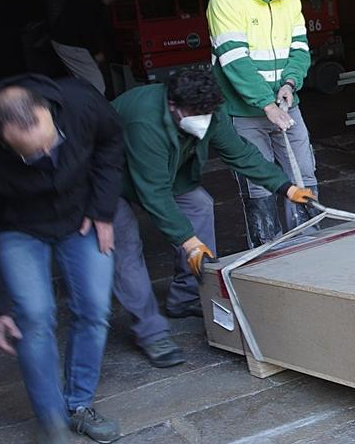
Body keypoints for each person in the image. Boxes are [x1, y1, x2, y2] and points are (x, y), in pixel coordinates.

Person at [0, 76, 126, 444]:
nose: (47, 154)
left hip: (81, 214)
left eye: (52, 141)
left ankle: (78, 404)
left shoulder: (79, 103)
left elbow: (111, 144)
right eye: (34, 154)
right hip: (18, 228)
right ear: (0, 141)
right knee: (32, 316)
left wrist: (103, 209)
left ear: (50, 113)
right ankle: (51, 420)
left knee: (96, 307)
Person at [109, 66, 317, 367]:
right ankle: (150, 331)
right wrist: (188, 241)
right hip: (111, 178)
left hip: (165, 170)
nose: (204, 121)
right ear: (172, 105)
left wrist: (284, 186)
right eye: (197, 114)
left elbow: (240, 154)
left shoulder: (207, 111)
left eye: (208, 113)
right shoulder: (145, 122)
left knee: (200, 206)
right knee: (125, 245)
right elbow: (154, 194)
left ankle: (185, 296)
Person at [205, 0, 317, 244]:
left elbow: (300, 49)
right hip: (245, 111)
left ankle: (311, 245)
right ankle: (268, 254)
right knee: (260, 182)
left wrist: (290, 83)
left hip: (286, 104)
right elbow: (234, 59)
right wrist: (266, 104)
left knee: (304, 175)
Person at [48, 0, 122, 95]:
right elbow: (87, 28)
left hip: (64, 41)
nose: (113, 1)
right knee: (96, 83)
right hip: (70, 43)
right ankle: (97, 112)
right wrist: (96, 52)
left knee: (82, 83)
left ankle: (84, 110)